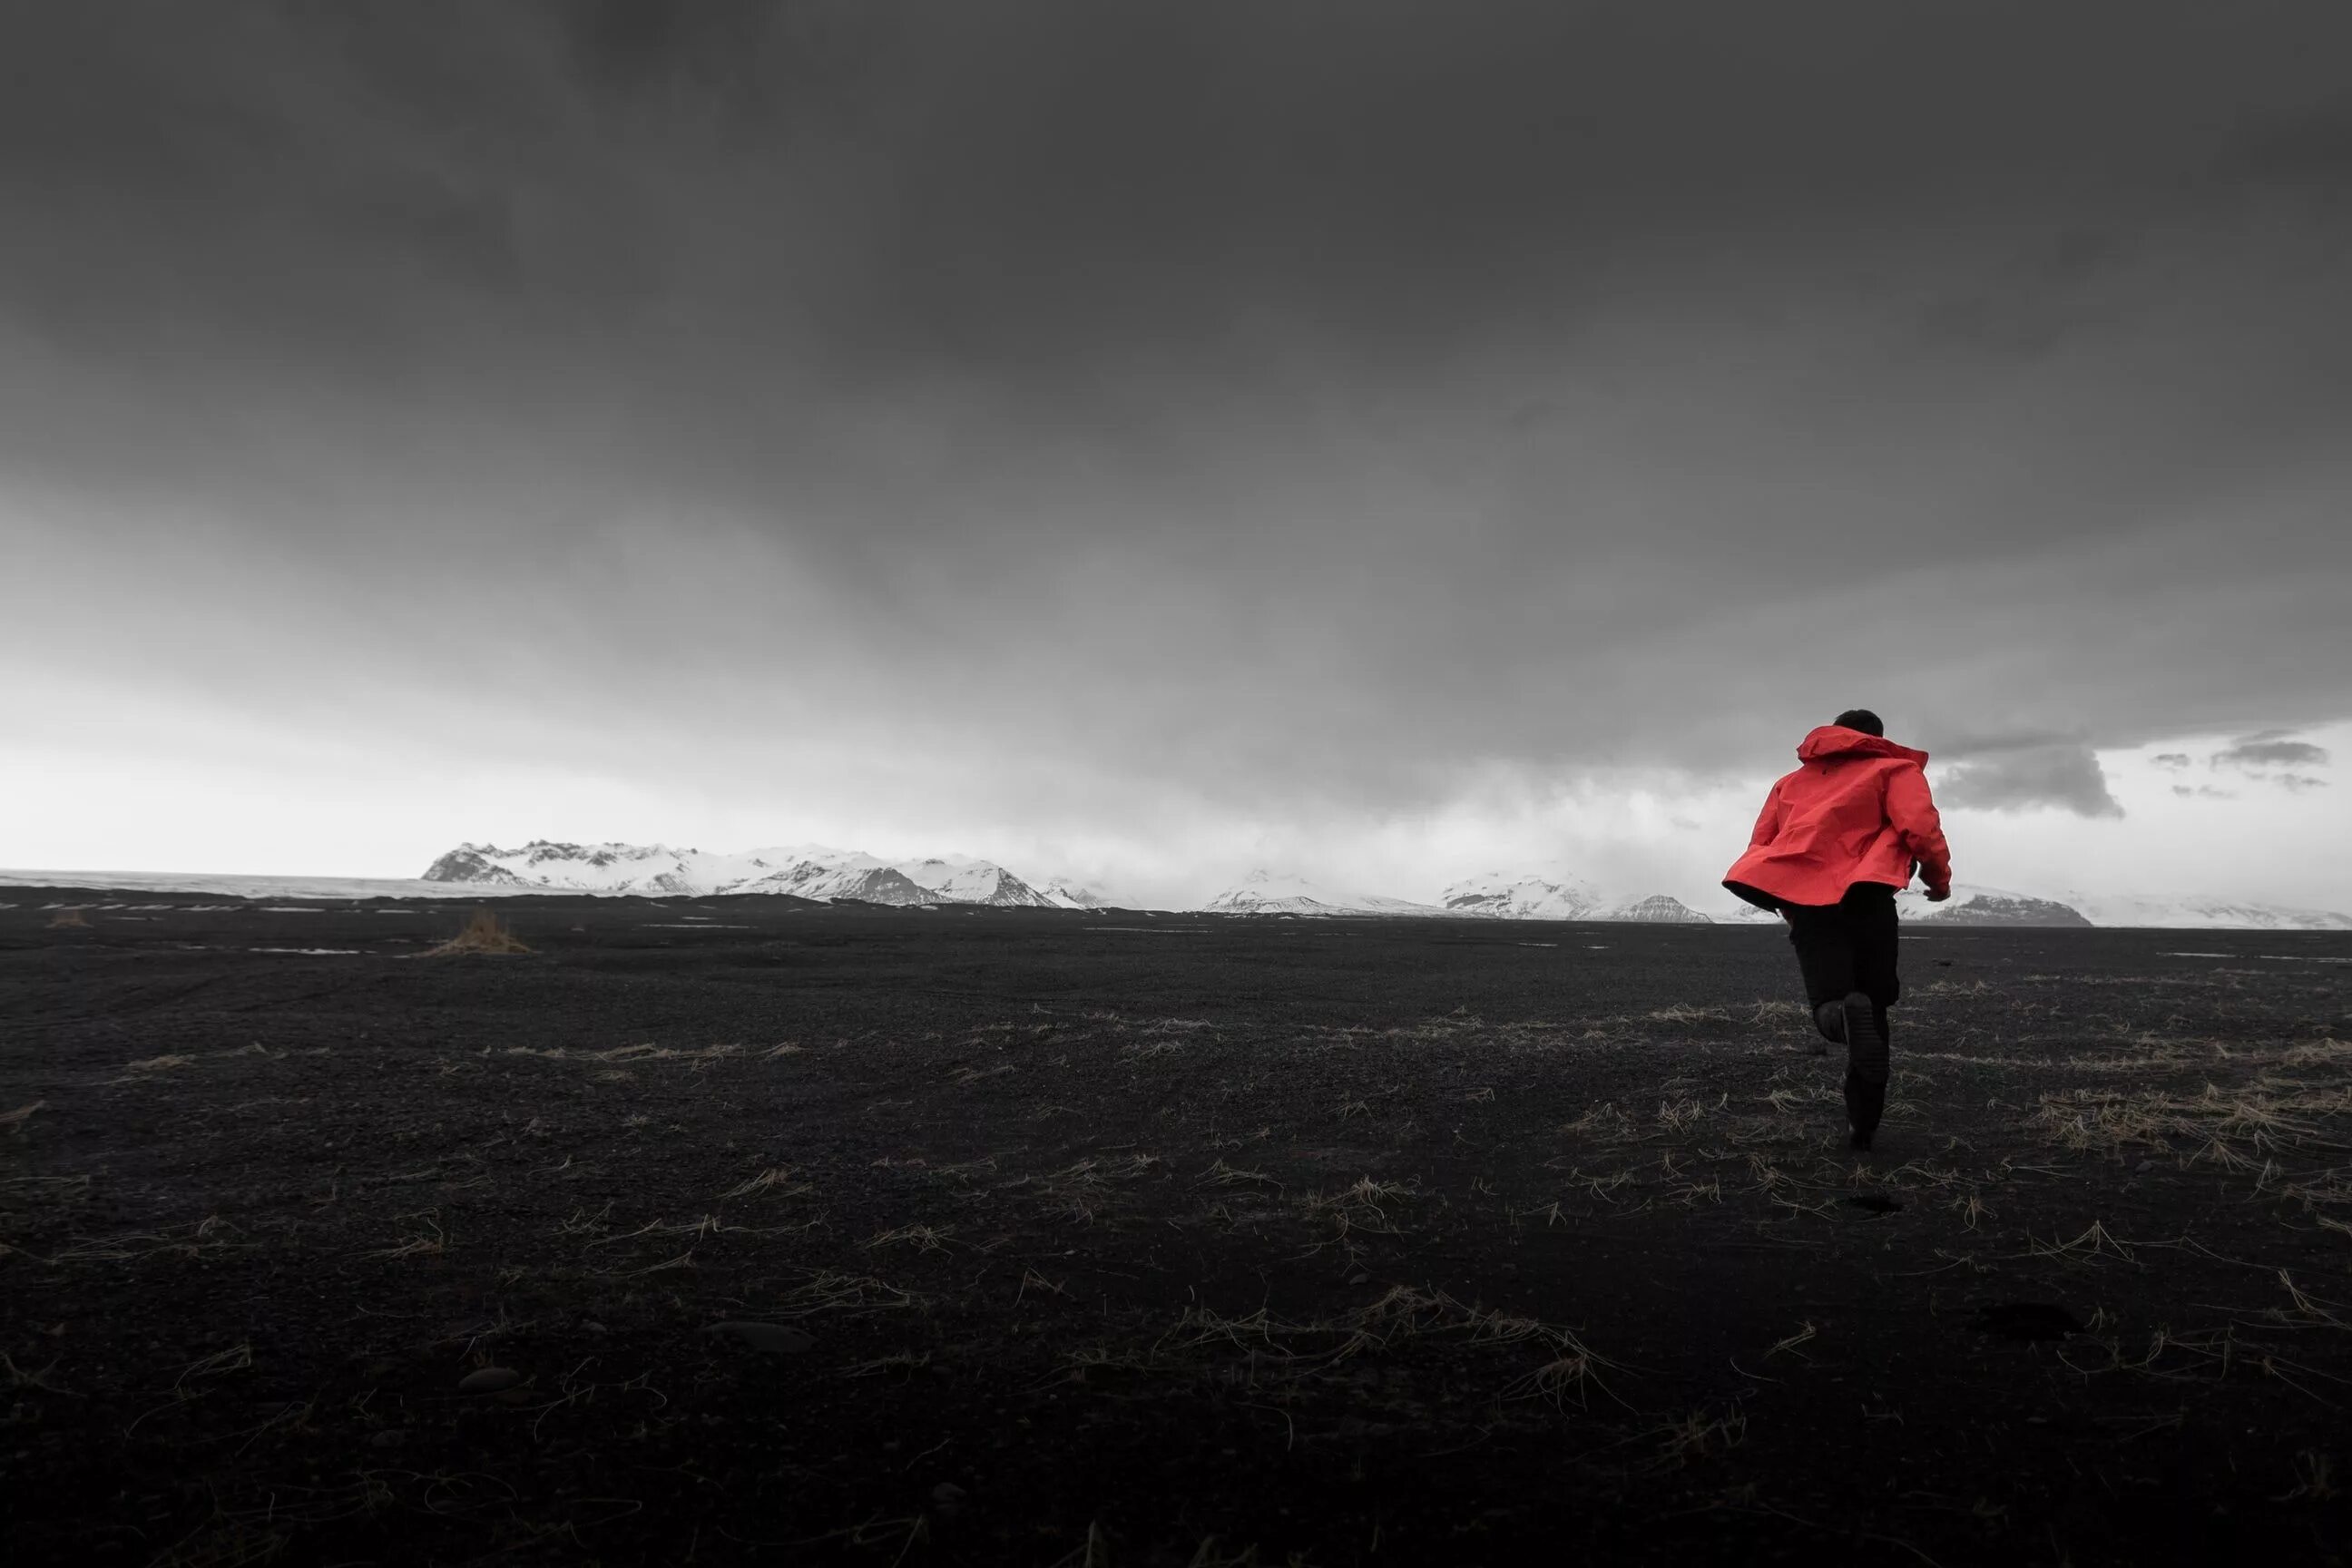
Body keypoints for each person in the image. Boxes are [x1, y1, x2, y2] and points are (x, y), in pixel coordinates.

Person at [1722, 710, 1953, 1152]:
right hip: (1869, 895)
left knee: (1834, 1001)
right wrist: (1938, 880)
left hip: (1808, 901)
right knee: (1873, 1003)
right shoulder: (1895, 770)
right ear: (1877, 738)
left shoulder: (1789, 784)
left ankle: (1842, 1021)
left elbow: (1764, 844)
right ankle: (1863, 1123)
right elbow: (1921, 827)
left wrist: (1784, 900)